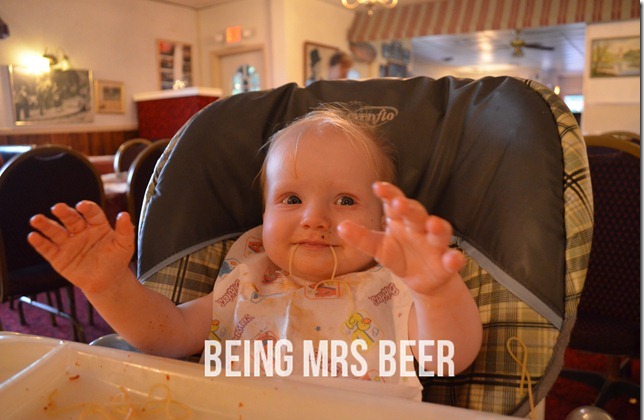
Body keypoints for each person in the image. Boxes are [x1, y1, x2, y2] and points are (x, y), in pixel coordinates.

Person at [28, 105, 482, 392]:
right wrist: (109, 285)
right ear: (262, 217)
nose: (314, 218)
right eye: (291, 199)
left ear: (381, 223)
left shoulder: (393, 287)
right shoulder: (244, 283)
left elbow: (448, 360)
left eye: (345, 200)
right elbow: (165, 335)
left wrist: (436, 291)